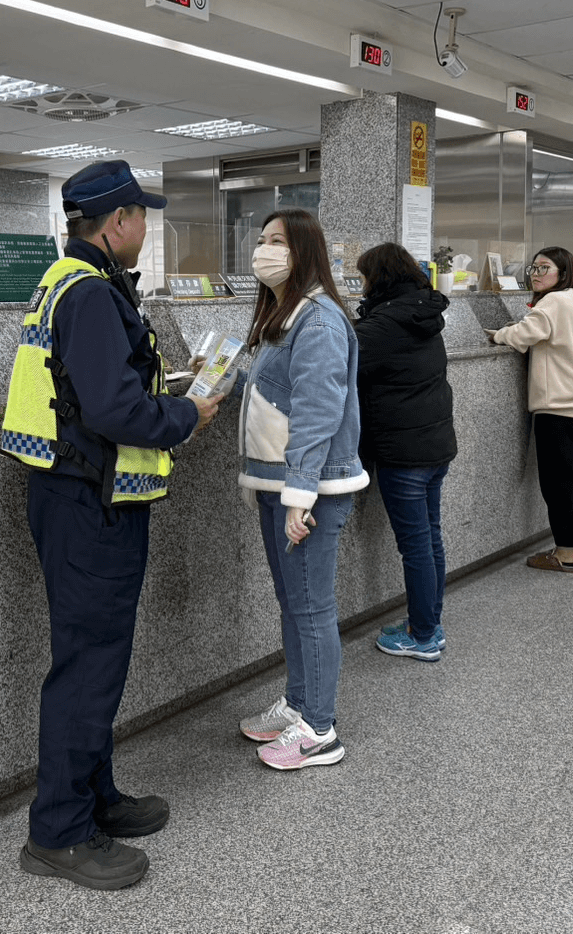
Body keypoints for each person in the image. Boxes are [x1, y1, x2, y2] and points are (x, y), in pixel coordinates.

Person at [0, 159, 222, 890]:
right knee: (88, 668)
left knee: (94, 661)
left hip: (77, 497)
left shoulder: (71, 281)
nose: (144, 230)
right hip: (89, 505)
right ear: (119, 222)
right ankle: (57, 833)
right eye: (141, 218)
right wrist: (187, 414)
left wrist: (166, 388)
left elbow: (99, 389)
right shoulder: (91, 294)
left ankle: (93, 798)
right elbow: (113, 411)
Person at [235, 209, 367, 770]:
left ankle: (320, 730)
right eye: (260, 240)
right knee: (293, 602)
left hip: (308, 490)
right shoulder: (283, 315)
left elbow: (317, 411)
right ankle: (300, 703)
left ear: (304, 251)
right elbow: (274, 389)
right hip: (277, 482)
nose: (263, 251)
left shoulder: (319, 320)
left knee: (311, 607)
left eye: (276, 242)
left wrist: (301, 494)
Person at [353, 243, 457, 662]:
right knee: (429, 538)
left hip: (405, 452)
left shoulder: (385, 323)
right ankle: (427, 622)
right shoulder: (422, 313)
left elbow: (335, 358)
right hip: (434, 446)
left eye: (363, 278)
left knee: (416, 545)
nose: (360, 285)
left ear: (379, 278)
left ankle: (423, 635)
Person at [487, 247, 573, 573]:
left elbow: (524, 334)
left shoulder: (552, 302)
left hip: (557, 406)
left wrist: (499, 334)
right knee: (572, 478)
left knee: (557, 483)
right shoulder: (572, 299)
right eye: (533, 268)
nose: (536, 274)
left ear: (562, 272)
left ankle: (564, 553)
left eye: (544, 268)